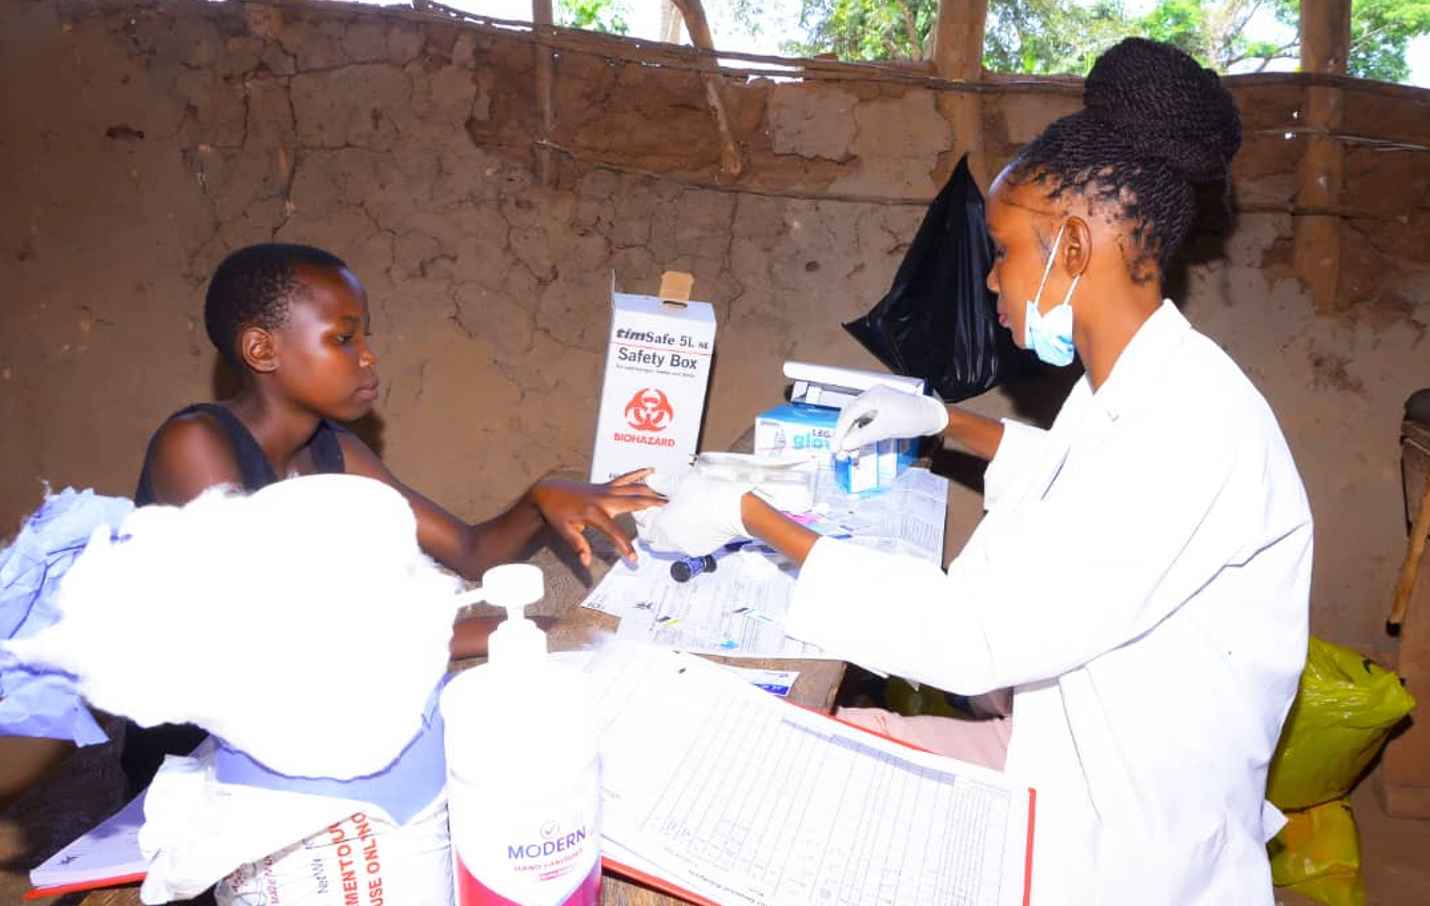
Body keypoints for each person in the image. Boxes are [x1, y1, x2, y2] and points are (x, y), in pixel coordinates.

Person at [636, 38, 1312, 905]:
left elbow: (976, 636)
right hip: (1067, 752)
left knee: (782, 799)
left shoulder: (1191, 423)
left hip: (1120, 842)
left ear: (1072, 249)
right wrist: (946, 420)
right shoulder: (1143, 380)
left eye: (1002, 250)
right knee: (793, 736)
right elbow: (1078, 486)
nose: (991, 280)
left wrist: (750, 516)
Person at [122, 242, 663, 789]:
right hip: (198, 765)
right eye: (343, 337)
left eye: (365, 335)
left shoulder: (332, 451)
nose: (368, 355)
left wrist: (540, 500)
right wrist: (486, 633)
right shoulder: (195, 446)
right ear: (263, 350)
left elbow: (470, 550)